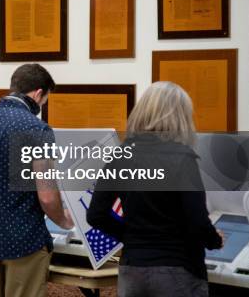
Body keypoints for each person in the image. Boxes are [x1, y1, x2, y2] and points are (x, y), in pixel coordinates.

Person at [87, 81, 223, 297]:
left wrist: (130, 235)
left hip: (132, 268)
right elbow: (197, 221)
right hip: (177, 269)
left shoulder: (120, 156)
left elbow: (95, 215)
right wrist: (214, 240)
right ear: (180, 117)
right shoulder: (182, 158)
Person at [0, 64, 74, 297]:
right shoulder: (36, 129)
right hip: (24, 241)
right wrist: (64, 221)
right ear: (38, 93)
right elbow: (46, 195)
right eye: (45, 99)